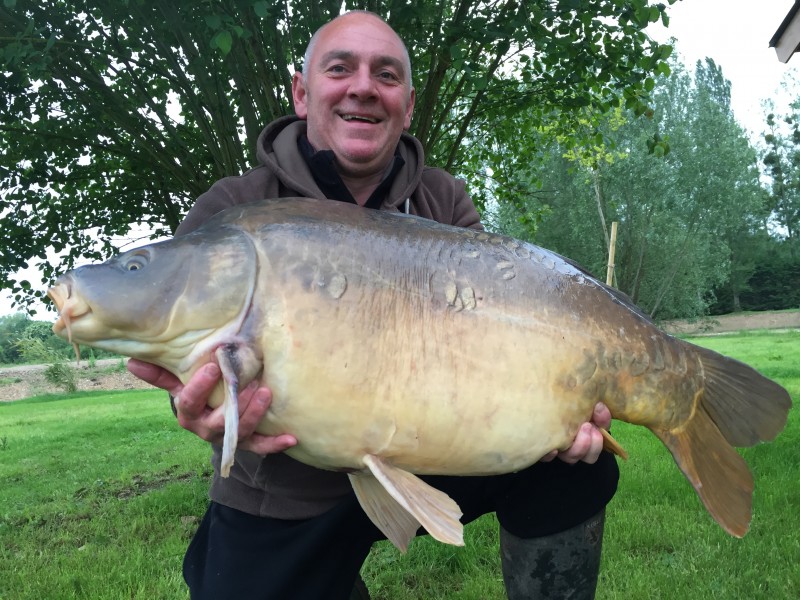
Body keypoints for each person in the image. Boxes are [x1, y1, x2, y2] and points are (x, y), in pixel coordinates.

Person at [128, 11, 619, 600]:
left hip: (430, 454)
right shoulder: (235, 208)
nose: (363, 86)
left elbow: (489, 342)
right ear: (302, 92)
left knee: (577, 470)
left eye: (385, 75)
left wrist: (555, 410)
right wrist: (199, 413)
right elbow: (185, 349)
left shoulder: (441, 199)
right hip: (285, 484)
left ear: (407, 106)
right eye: (340, 69)